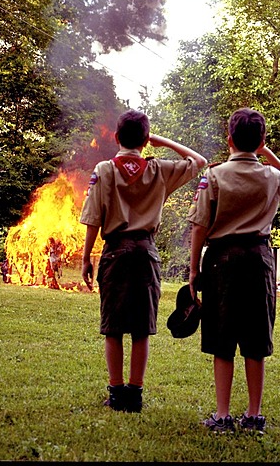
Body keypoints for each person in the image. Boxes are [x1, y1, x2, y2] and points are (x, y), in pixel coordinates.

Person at [80, 109, 207, 413]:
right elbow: (199, 162)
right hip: (145, 252)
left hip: (115, 252)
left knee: (112, 325)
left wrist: (86, 257)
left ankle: (115, 392)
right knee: (140, 327)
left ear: (116, 137)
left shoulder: (104, 169)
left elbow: (93, 218)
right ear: (146, 140)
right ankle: (134, 394)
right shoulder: (158, 169)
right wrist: (160, 142)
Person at [188, 107, 280, 433]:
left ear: (229, 138)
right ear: (261, 140)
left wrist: (194, 270)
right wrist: (266, 151)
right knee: (255, 337)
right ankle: (253, 415)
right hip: (260, 259)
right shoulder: (273, 177)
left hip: (221, 260)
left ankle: (222, 416)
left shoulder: (215, 175)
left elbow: (199, 225)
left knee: (222, 339)